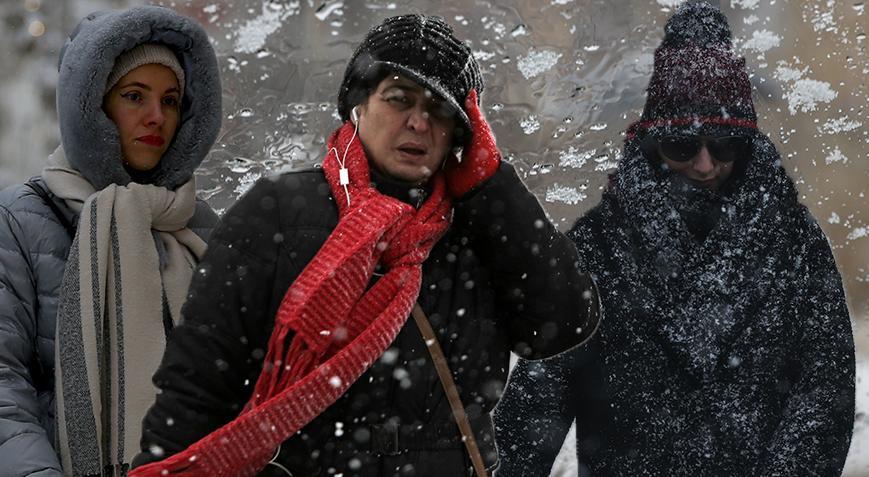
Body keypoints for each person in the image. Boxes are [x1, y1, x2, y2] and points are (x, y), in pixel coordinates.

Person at [129, 14, 600, 477]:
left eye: (440, 110)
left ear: (461, 133)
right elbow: (199, 385)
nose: (419, 122)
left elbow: (562, 323)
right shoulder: (277, 210)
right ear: (358, 104)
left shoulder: (478, 227)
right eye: (399, 99)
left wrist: (492, 185)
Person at [494, 2, 855, 476]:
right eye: (683, 143)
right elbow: (539, 401)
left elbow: (826, 390)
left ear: (747, 146)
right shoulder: (597, 248)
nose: (705, 165)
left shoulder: (796, 245)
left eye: (725, 144)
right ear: (651, 143)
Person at [0, 6, 222, 475]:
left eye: (172, 100)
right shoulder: (21, 218)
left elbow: (235, 378)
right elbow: (5, 384)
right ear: (94, 106)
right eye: (134, 96)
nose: (156, 116)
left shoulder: (198, 225)